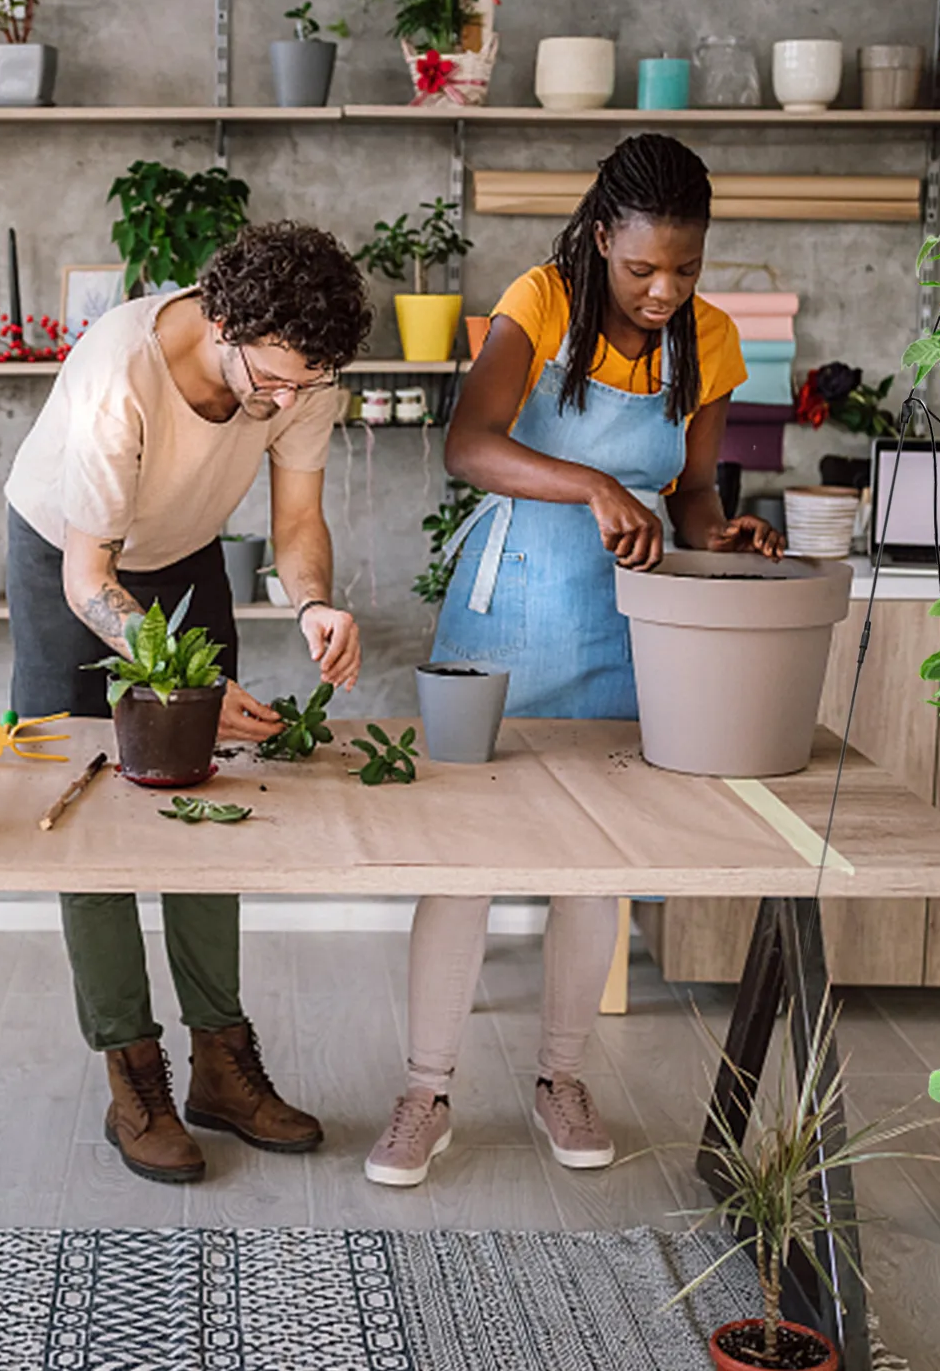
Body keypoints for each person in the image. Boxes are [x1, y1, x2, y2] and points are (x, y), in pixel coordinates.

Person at [365, 133, 783, 1188]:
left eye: (684, 268)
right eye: (643, 268)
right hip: (506, 619)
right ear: (602, 239)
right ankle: (425, 1093)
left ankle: (560, 1078)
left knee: (593, 865)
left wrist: (723, 534)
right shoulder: (542, 302)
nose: (663, 289)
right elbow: (470, 445)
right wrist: (595, 485)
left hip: (624, 631)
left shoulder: (713, 341)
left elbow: (691, 498)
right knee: (462, 865)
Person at [5, 221, 371, 1184]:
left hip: (182, 553)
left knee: (206, 785)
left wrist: (316, 604)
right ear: (223, 321)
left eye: (307, 385)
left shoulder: (301, 376)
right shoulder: (116, 371)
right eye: (276, 379)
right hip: (68, 557)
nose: (288, 401)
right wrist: (190, 679)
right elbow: (91, 583)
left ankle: (221, 1057)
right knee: (85, 805)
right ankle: (132, 1068)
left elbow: (297, 526)